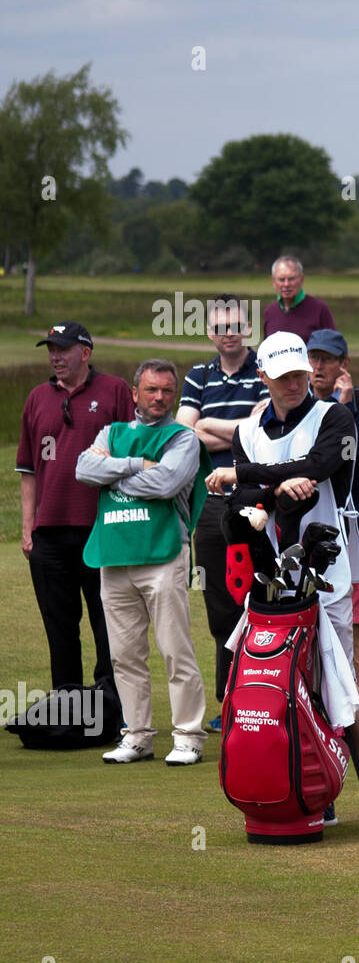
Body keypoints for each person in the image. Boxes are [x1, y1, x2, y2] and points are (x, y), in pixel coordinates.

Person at [207, 333, 359, 834]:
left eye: (300, 373)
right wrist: (262, 486)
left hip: (328, 572)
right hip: (270, 578)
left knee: (341, 684)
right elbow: (248, 501)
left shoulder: (334, 417)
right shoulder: (249, 430)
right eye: (283, 376)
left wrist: (246, 477)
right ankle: (317, 783)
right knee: (290, 684)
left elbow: (319, 467)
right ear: (264, 378)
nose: (296, 382)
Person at [76, 360, 211, 765]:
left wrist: (110, 472)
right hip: (115, 554)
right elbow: (84, 468)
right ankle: (137, 735)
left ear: (175, 396)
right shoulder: (112, 432)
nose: (159, 398)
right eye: (151, 390)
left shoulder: (181, 438)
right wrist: (135, 465)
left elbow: (167, 482)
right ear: (135, 392)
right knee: (124, 653)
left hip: (163, 552)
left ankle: (188, 735)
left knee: (175, 649)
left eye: (168, 391)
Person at [17, 322, 134, 690]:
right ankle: (67, 705)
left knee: (108, 624)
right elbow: (28, 470)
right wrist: (27, 528)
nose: (55, 357)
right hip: (48, 532)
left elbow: (131, 457)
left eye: (63, 349)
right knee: (59, 626)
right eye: (51, 349)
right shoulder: (37, 397)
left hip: (101, 528)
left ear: (85, 352)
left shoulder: (114, 390)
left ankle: (112, 707)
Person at [176, 296, 265, 721]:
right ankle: (229, 701)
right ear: (210, 332)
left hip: (258, 499)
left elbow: (262, 431)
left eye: (235, 324)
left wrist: (209, 427)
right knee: (221, 603)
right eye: (219, 326)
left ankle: (266, 694)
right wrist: (238, 431)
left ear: (246, 327)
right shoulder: (198, 375)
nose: (228, 332)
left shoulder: (264, 369)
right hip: (211, 505)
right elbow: (183, 436)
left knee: (264, 595)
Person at [305, 329, 359, 713]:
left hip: (357, 529)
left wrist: (348, 410)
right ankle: (317, 704)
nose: (319, 366)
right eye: (314, 358)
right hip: (309, 531)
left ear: (345, 364)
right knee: (308, 621)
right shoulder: (297, 405)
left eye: (328, 359)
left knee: (357, 622)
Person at [261, 256, 336, 343]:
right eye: (281, 279)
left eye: (291, 279)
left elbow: (334, 347)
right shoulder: (270, 312)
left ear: (301, 279)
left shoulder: (319, 309)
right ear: (273, 282)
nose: (286, 284)